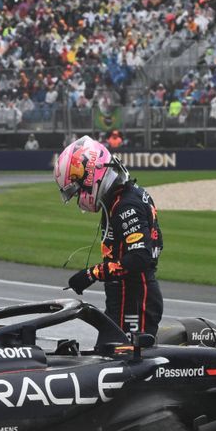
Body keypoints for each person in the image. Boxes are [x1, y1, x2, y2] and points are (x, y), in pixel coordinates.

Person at [54, 135, 163, 335]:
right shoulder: (119, 199)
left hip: (134, 301)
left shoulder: (125, 204)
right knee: (107, 352)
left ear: (90, 175)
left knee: (122, 360)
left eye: (77, 190)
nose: (79, 197)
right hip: (124, 297)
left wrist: (91, 274)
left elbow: (140, 257)